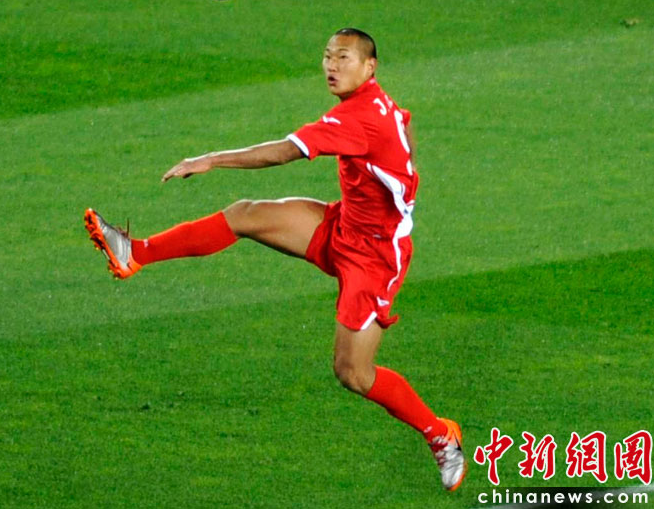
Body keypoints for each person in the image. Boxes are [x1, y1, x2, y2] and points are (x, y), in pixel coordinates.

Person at [83, 28, 466, 492]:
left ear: (370, 66)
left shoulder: (359, 117)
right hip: (343, 226)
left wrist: (211, 159)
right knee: (245, 215)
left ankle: (440, 434)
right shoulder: (377, 104)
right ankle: (135, 253)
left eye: (343, 58)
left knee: (352, 373)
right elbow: (405, 126)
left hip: (375, 259)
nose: (331, 66)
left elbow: (285, 152)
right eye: (327, 56)